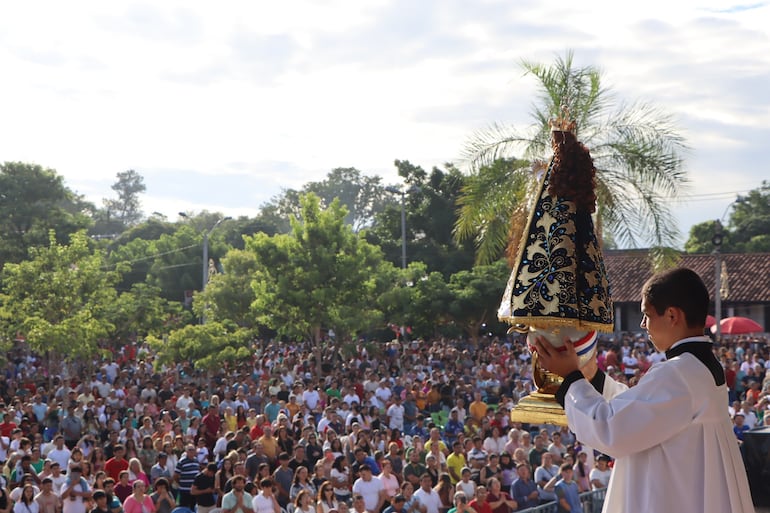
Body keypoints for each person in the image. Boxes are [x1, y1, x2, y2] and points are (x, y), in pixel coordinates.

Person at [535, 267, 754, 512]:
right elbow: (640, 415)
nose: (642, 324)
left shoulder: (678, 373)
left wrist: (571, 379)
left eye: (647, 315)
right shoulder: (699, 367)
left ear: (672, 316)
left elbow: (612, 429)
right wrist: (594, 378)